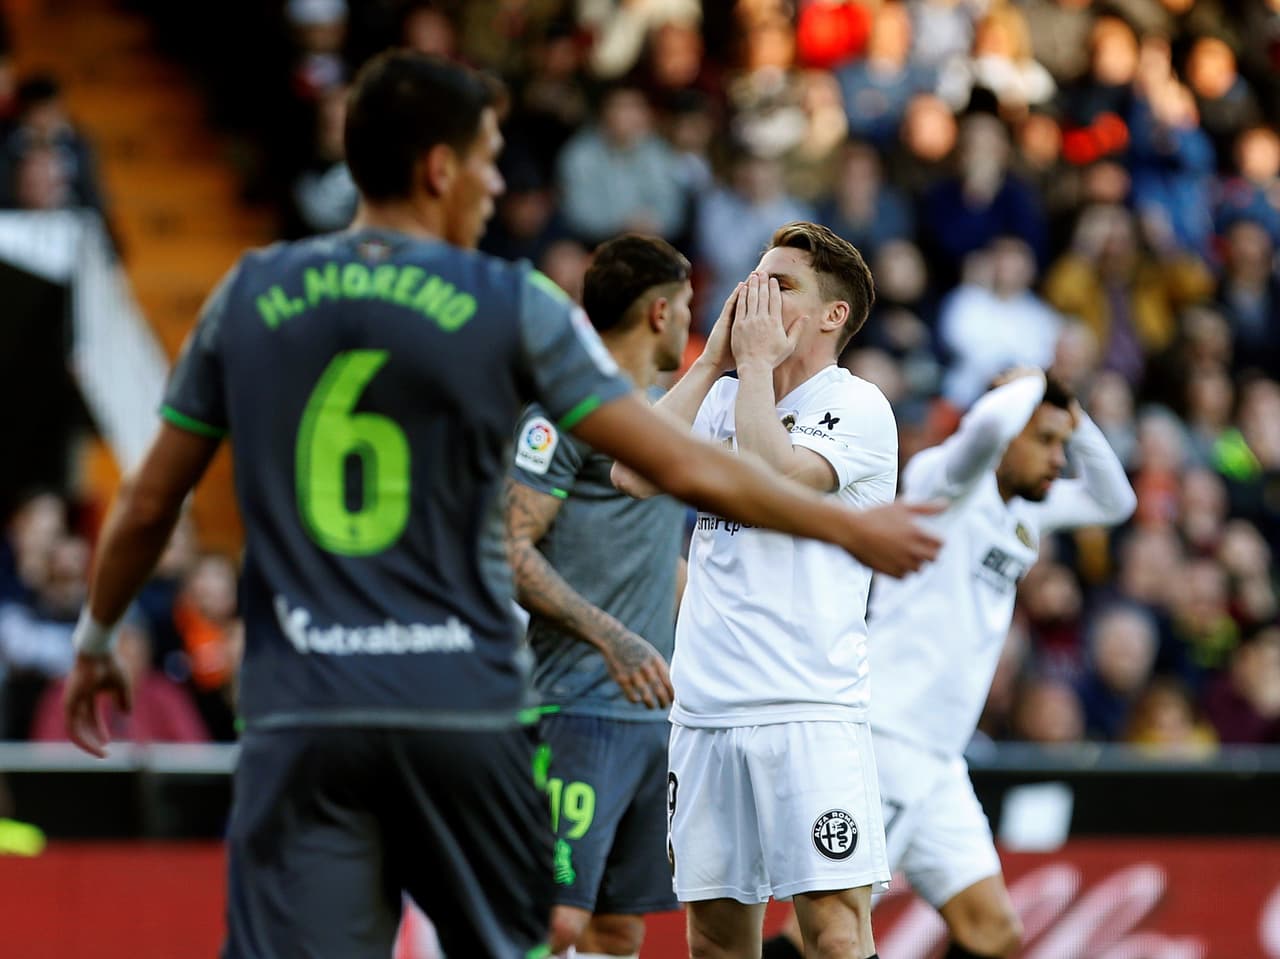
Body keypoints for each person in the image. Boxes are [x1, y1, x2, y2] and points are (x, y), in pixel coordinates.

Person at [60, 52, 941, 959]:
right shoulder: (508, 302)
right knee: (535, 937)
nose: (496, 181)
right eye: (488, 156)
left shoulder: (252, 291)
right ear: (440, 168)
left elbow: (150, 499)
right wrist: (855, 526)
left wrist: (95, 638)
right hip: (457, 700)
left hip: (304, 703)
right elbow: (651, 463)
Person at [765, 368, 1135, 959]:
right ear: (1008, 427)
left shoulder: (1027, 512)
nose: (1058, 459)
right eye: (1043, 440)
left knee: (993, 934)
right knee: (824, 935)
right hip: (885, 737)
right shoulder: (945, 480)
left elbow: (1117, 501)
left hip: (938, 760)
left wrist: (1071, 413)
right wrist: (1034, 381)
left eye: (1062, 444)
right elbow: (986, 425)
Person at [617, 222, 897, 959]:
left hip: (807, 709)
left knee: (835, 933)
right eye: (755, 278)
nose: (756, 295)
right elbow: (631, 474)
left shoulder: (858, 405)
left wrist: (755, 369)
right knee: (713, 940)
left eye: (781, 285)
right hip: (704, 711)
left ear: (832, 315)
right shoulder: (720, 397)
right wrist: (711, 362)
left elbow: (772, 473)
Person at [505, 233, 692, 958]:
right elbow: (510, 546)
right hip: (575, 707)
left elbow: (654, 558)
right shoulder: (563, 407)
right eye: (684, 306)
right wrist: (611, 636)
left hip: (651, 714)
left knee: (619, 929)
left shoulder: (650, 418)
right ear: (656, 312)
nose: (687, 322)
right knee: (553, 921)